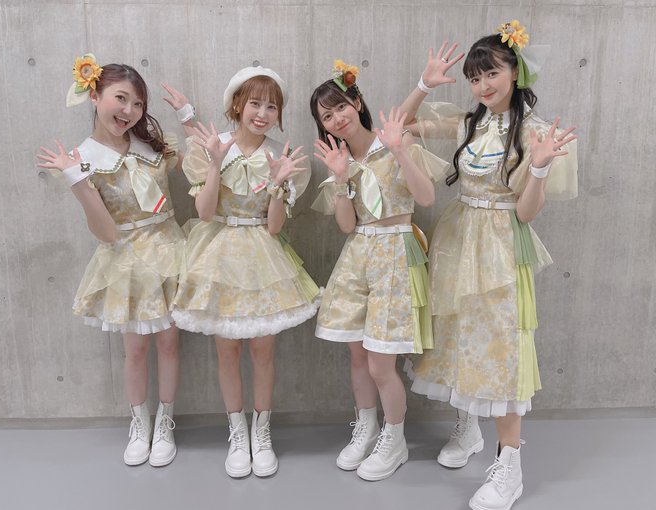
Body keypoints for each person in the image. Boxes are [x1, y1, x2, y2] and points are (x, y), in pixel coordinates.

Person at [399, 23, 578, 510]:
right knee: (458, 335)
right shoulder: (469, 123)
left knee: (501, 347)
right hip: (458, 239)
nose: (483, 85)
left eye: (492, 73)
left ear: (515, 72)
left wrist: (538, 167)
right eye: (474, 78)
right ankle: (468, 428)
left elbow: (526, 213)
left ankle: (509, 468)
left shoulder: (536, 133)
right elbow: (402, 127)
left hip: (500, 245)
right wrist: (423, 84)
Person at [168, 67, 319, 478]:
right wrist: (216, 164)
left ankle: (261, 432)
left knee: (263, 351)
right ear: (237, 105)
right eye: (255, 103)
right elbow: (204, 213)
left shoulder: (283, 157)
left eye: (272, 106)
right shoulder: (212, 147)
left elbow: (274, 227)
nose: (263, 113)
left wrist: (278, 185)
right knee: (227, 349)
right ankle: (237, 432)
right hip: (218, 253)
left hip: (261, 255)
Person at [36, 55, 185, 467]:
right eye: (121, 98)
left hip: (169, 248)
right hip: (126, 258)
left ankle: (165, 422)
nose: (129, 111)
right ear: (94, 96)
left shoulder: (154, 147)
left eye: (137, 103)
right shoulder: (81, 159)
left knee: (169, 343)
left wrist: (188, 116)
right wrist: (77, 181)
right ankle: (139, 423)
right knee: (135, 349)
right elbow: (105, 232)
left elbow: (199, 171)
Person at [310, 60, 445, 481]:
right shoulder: (341, 160)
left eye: (340, 106)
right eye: (326, 116)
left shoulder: (393, 140)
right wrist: (339, 179)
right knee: (357, 353)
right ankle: (366, 427)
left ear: (357, 101)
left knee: (381, 364)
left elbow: (425, 198)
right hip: (358, 255)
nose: (337, 118)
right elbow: (347, 225)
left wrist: (401, 149)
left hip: (396, 252)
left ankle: (394, 438)